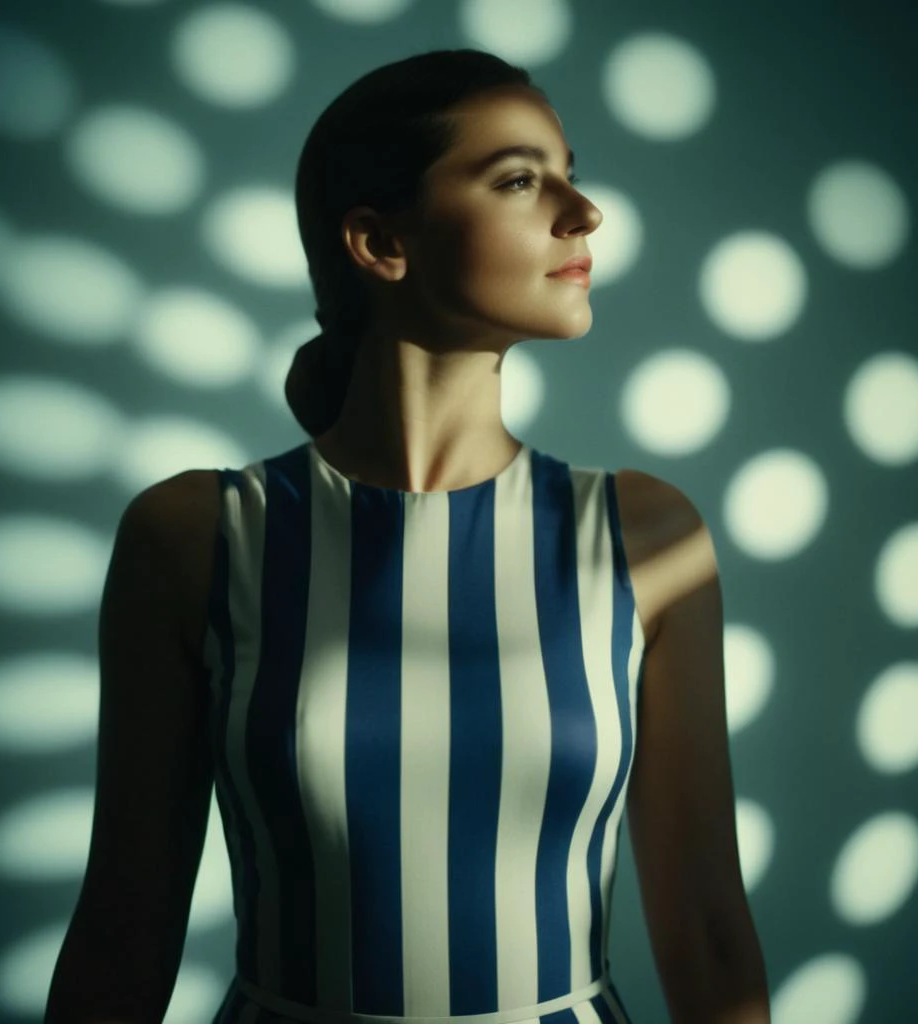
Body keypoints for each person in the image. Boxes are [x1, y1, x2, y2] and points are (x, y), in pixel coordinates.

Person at [46, 48, 770, 1024]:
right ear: (379, 242)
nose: (582, 211)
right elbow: (123, 935)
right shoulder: (196, 537)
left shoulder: (644, 535)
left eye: (570, 171)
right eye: (520, 179)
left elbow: (711, 937)